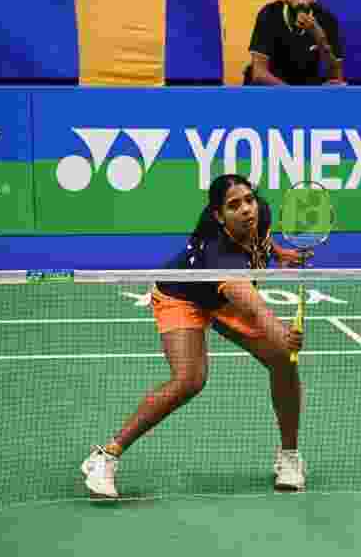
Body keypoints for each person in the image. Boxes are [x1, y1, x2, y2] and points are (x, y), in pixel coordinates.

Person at [81, 174, 311, 498]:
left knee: (284, 362)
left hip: (222, 298)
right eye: (234, 206)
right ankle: (105, 457)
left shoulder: (261, 213)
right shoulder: (220, 256)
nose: (247, 210)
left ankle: (289, 458)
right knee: (189, 379)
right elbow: (255, 309)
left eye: (249, 200)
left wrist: (279, 252)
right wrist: (281, 332)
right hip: (182, 295)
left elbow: (260, 239)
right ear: (219, 215)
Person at [245, 0, 345, 85]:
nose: (301, 0)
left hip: (306, 85)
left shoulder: (327, 19)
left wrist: (320, 38)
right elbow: (259, 74)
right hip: (274, 86)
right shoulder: (269, 14)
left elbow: (336, 77)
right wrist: (295, 95)